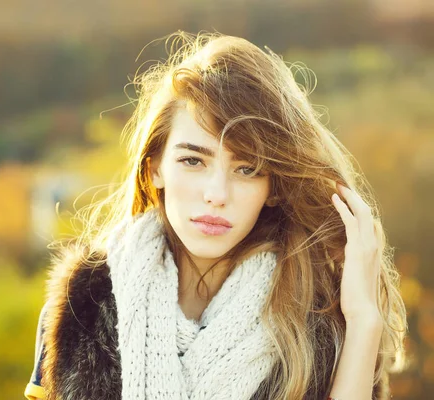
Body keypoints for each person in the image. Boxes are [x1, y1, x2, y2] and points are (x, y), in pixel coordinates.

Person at [24, 31, 407, 400]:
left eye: (247, 169)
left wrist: (362, 320)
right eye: (193, 160)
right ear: (155, 167)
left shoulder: (318, 320)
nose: (216, 195)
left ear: (273, 187)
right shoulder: (84, 301)